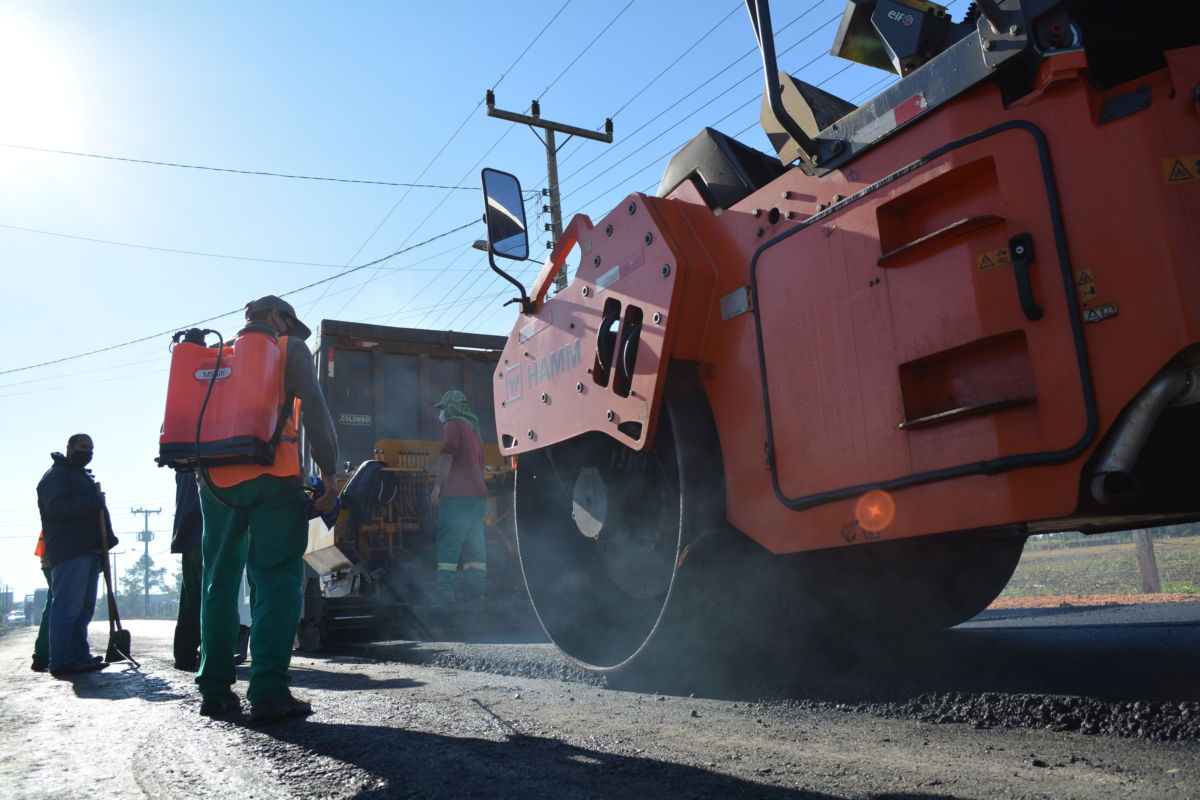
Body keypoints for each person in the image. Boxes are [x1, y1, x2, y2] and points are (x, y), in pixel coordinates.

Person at [195, 295, 338, 723]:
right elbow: (312, 405)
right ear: (276, 317)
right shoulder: (286, 348)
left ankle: (215, 691)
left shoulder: (216, 357)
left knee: (218, 582)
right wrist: (329, 473)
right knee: (275, 580)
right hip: (274, 481)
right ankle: (270, 692)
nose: (294, 334)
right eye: (290, 324)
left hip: (216, 483)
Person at [36, 433, 118, 677]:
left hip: (89, 550)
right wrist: (92, 501)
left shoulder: (78, 475)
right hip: (71, 550)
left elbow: (96, 512)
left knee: (83, 609)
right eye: (83, 447)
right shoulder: (57, 476)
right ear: (69, 447)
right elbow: (56, 508)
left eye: (91, 448)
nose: (87, 452)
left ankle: (80, 656)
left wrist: (105, 546)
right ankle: (61, 659)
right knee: (67, 608)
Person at [429, 389, 488, 603]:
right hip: (477, 496)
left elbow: (447, 454)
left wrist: (437, 487)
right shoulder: (475, 431)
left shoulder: (453, 424)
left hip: (457, 496)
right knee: (475, 547)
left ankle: (445, 595)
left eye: (443, 408)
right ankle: (478, 592)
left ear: (451, 407)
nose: (441, 413)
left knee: (449, 544)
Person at [30, 531, 52, 672]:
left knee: (54, 605)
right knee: (56, 607)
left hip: (53, 559)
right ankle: (43, 656)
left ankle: (43, 656)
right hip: (56, 560)